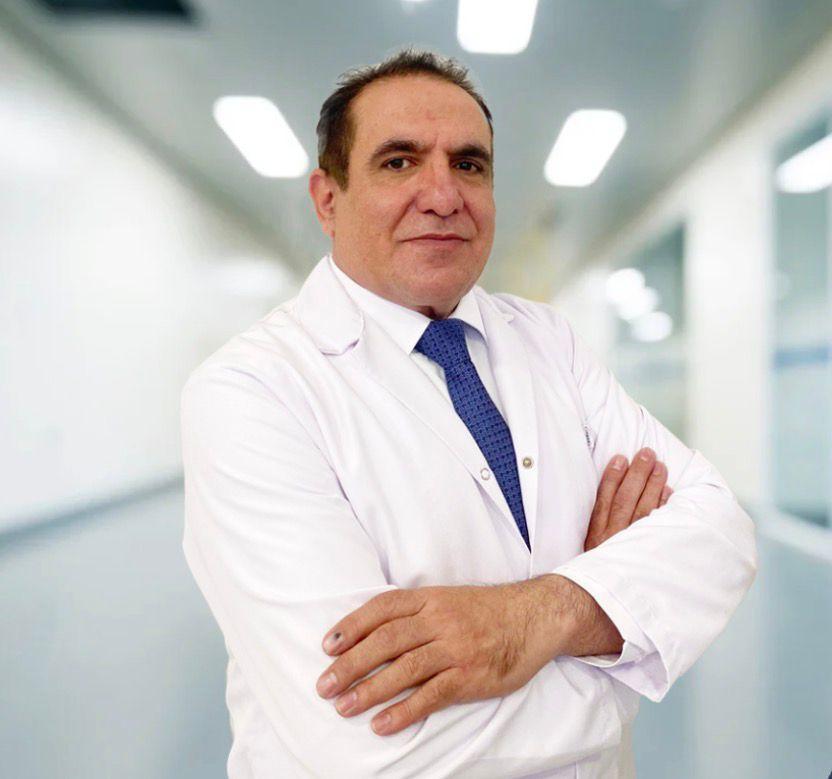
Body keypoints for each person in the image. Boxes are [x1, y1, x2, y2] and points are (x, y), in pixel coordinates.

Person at [180, 48, 757, 778]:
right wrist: (615, 640)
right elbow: (371, 744)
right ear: (328, 200)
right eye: (398, 162)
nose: (443, 194)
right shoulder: (251, 389)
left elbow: (720, 531)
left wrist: (536, 618)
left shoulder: (549, 341)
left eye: (469, 164)